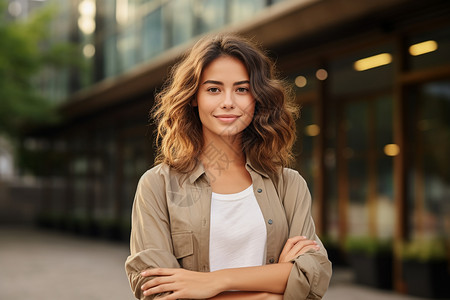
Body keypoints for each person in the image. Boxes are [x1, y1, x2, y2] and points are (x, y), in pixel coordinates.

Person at [125, 33, 332, 300]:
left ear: (257, 97)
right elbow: (154, 288)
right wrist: (270, 292)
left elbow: (313, 275)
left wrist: (215, 282)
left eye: (242, 89)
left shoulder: (288, 185)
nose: (228, 102)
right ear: (193, 97)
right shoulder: (158, 186)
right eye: (214, 89)